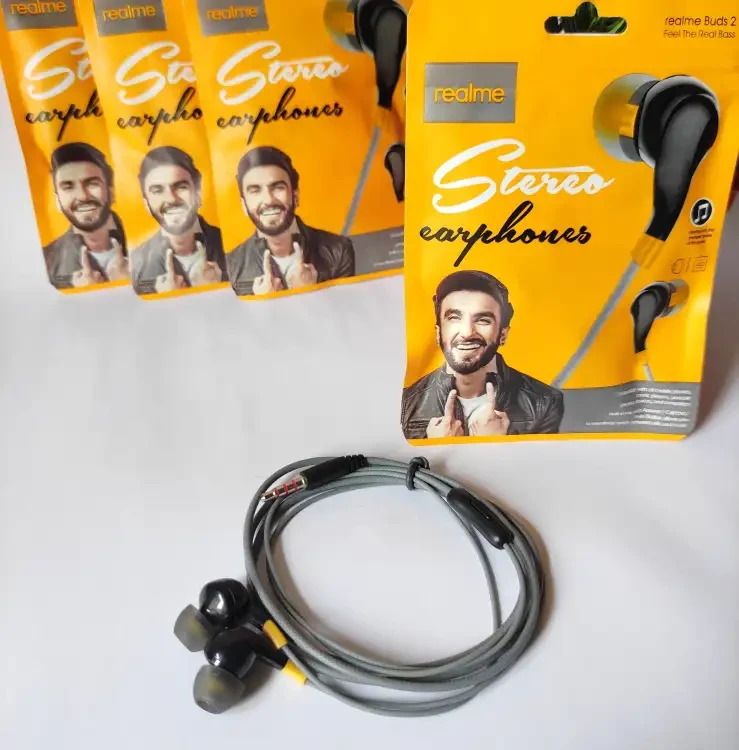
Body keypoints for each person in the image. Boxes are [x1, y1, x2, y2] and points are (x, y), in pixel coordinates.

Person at [401, 270, 564, 439]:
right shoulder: (407, 403)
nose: (467, 333)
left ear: (503, 334)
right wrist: (434, 448)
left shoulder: (544, 403)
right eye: (454, 318)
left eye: (483, 320)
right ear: (438, 333)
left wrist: (494, 445)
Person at [227, 146, 355, 296]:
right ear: (244, 205)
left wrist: (310, 294)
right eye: (255, 191)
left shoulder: (339, 250)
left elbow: (345, 310)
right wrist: (263, 304)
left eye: (278, 188)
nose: (268, 200)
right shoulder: (231, 266)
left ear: (295, 196)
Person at [131, 147, 226, 295]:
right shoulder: (135, 264)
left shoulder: (232, 248)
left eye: (181, 187)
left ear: (198, 193)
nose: (171, 199)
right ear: (146, 204)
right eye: (157, 191)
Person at [43, 142, 128, 289]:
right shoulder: (45, 261)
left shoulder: (144, 247)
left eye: (91, 183)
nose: (82, 196)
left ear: (111, 192)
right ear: (58, 201)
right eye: (68, 187)